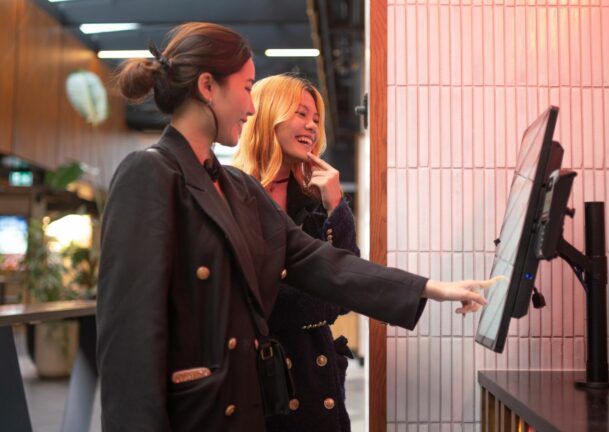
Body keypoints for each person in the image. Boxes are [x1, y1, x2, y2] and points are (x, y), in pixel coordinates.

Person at [97, 22, 491, 432]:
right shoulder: (150, 173)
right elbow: (128, 343)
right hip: (197, 416)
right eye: (248, 88)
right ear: (208, 86)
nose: (251, 109)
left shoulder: (238, 187)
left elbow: (322, 261)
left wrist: (428, 288)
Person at [233, 74, 357, 431]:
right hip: (260, 377)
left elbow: (347, 290)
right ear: (269, 114)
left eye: (316, 119)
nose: (312, 126)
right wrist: (322, 296)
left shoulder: (314, 201)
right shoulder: (232, 193)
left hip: (317, 379)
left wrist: (337, 204)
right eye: (301, 114)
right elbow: (253, 300)